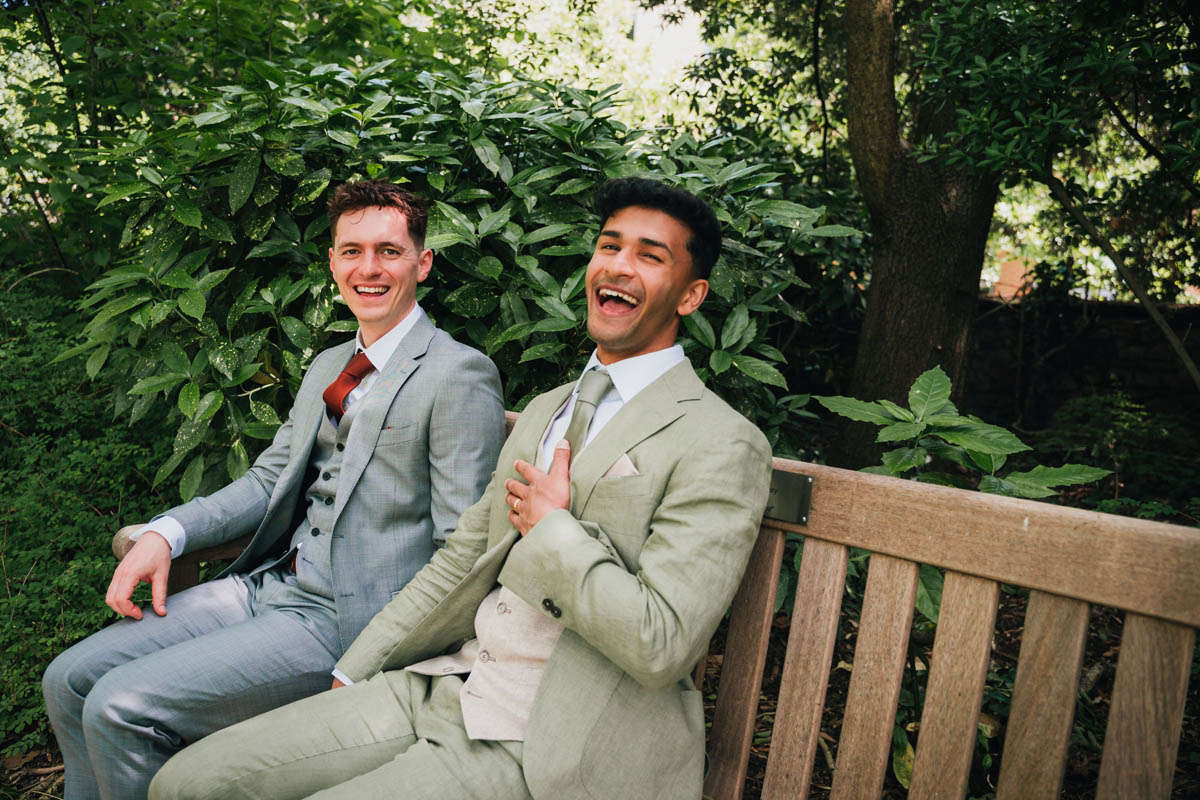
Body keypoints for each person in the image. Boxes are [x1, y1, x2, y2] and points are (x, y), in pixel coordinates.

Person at [149, 177, 773, 800]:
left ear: (690, 296)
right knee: (187, 783)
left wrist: (555, 530)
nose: (619, 266)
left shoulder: (721, 440)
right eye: (609, 247)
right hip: (440, 683)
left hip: (548, 733)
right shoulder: (548, 408)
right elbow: (462, 557)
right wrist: (356, 668)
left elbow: (661, 645)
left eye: (650, 256)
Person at [42, 180, 506, 800]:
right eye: (351, 251)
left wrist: (367, 660)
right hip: (267, 587)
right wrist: (165, 532)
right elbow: (267, 481)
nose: (368, 268)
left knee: (119, 707)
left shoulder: (458, 373)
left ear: (422, 263)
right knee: (68, 678)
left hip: (344, 623)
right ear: (333, 262)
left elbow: (463, 548)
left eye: (389, 252)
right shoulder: (328, 365)